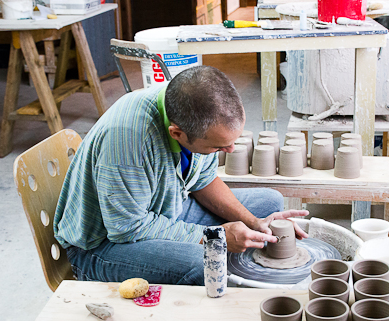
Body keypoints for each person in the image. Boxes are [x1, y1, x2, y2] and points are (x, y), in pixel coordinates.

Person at [54, 66, 308, 285]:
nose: (230, 150)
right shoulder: (127, 139)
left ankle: (231, 264)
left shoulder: (190, 106)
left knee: (269, 203)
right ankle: (217, 276)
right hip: (102, 245)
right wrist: (217, 236)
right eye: (218, 147)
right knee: (203, 263)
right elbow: (126, 229)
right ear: (177, 133)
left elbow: (203, 180)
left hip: (164, 208)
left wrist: (254, 223)